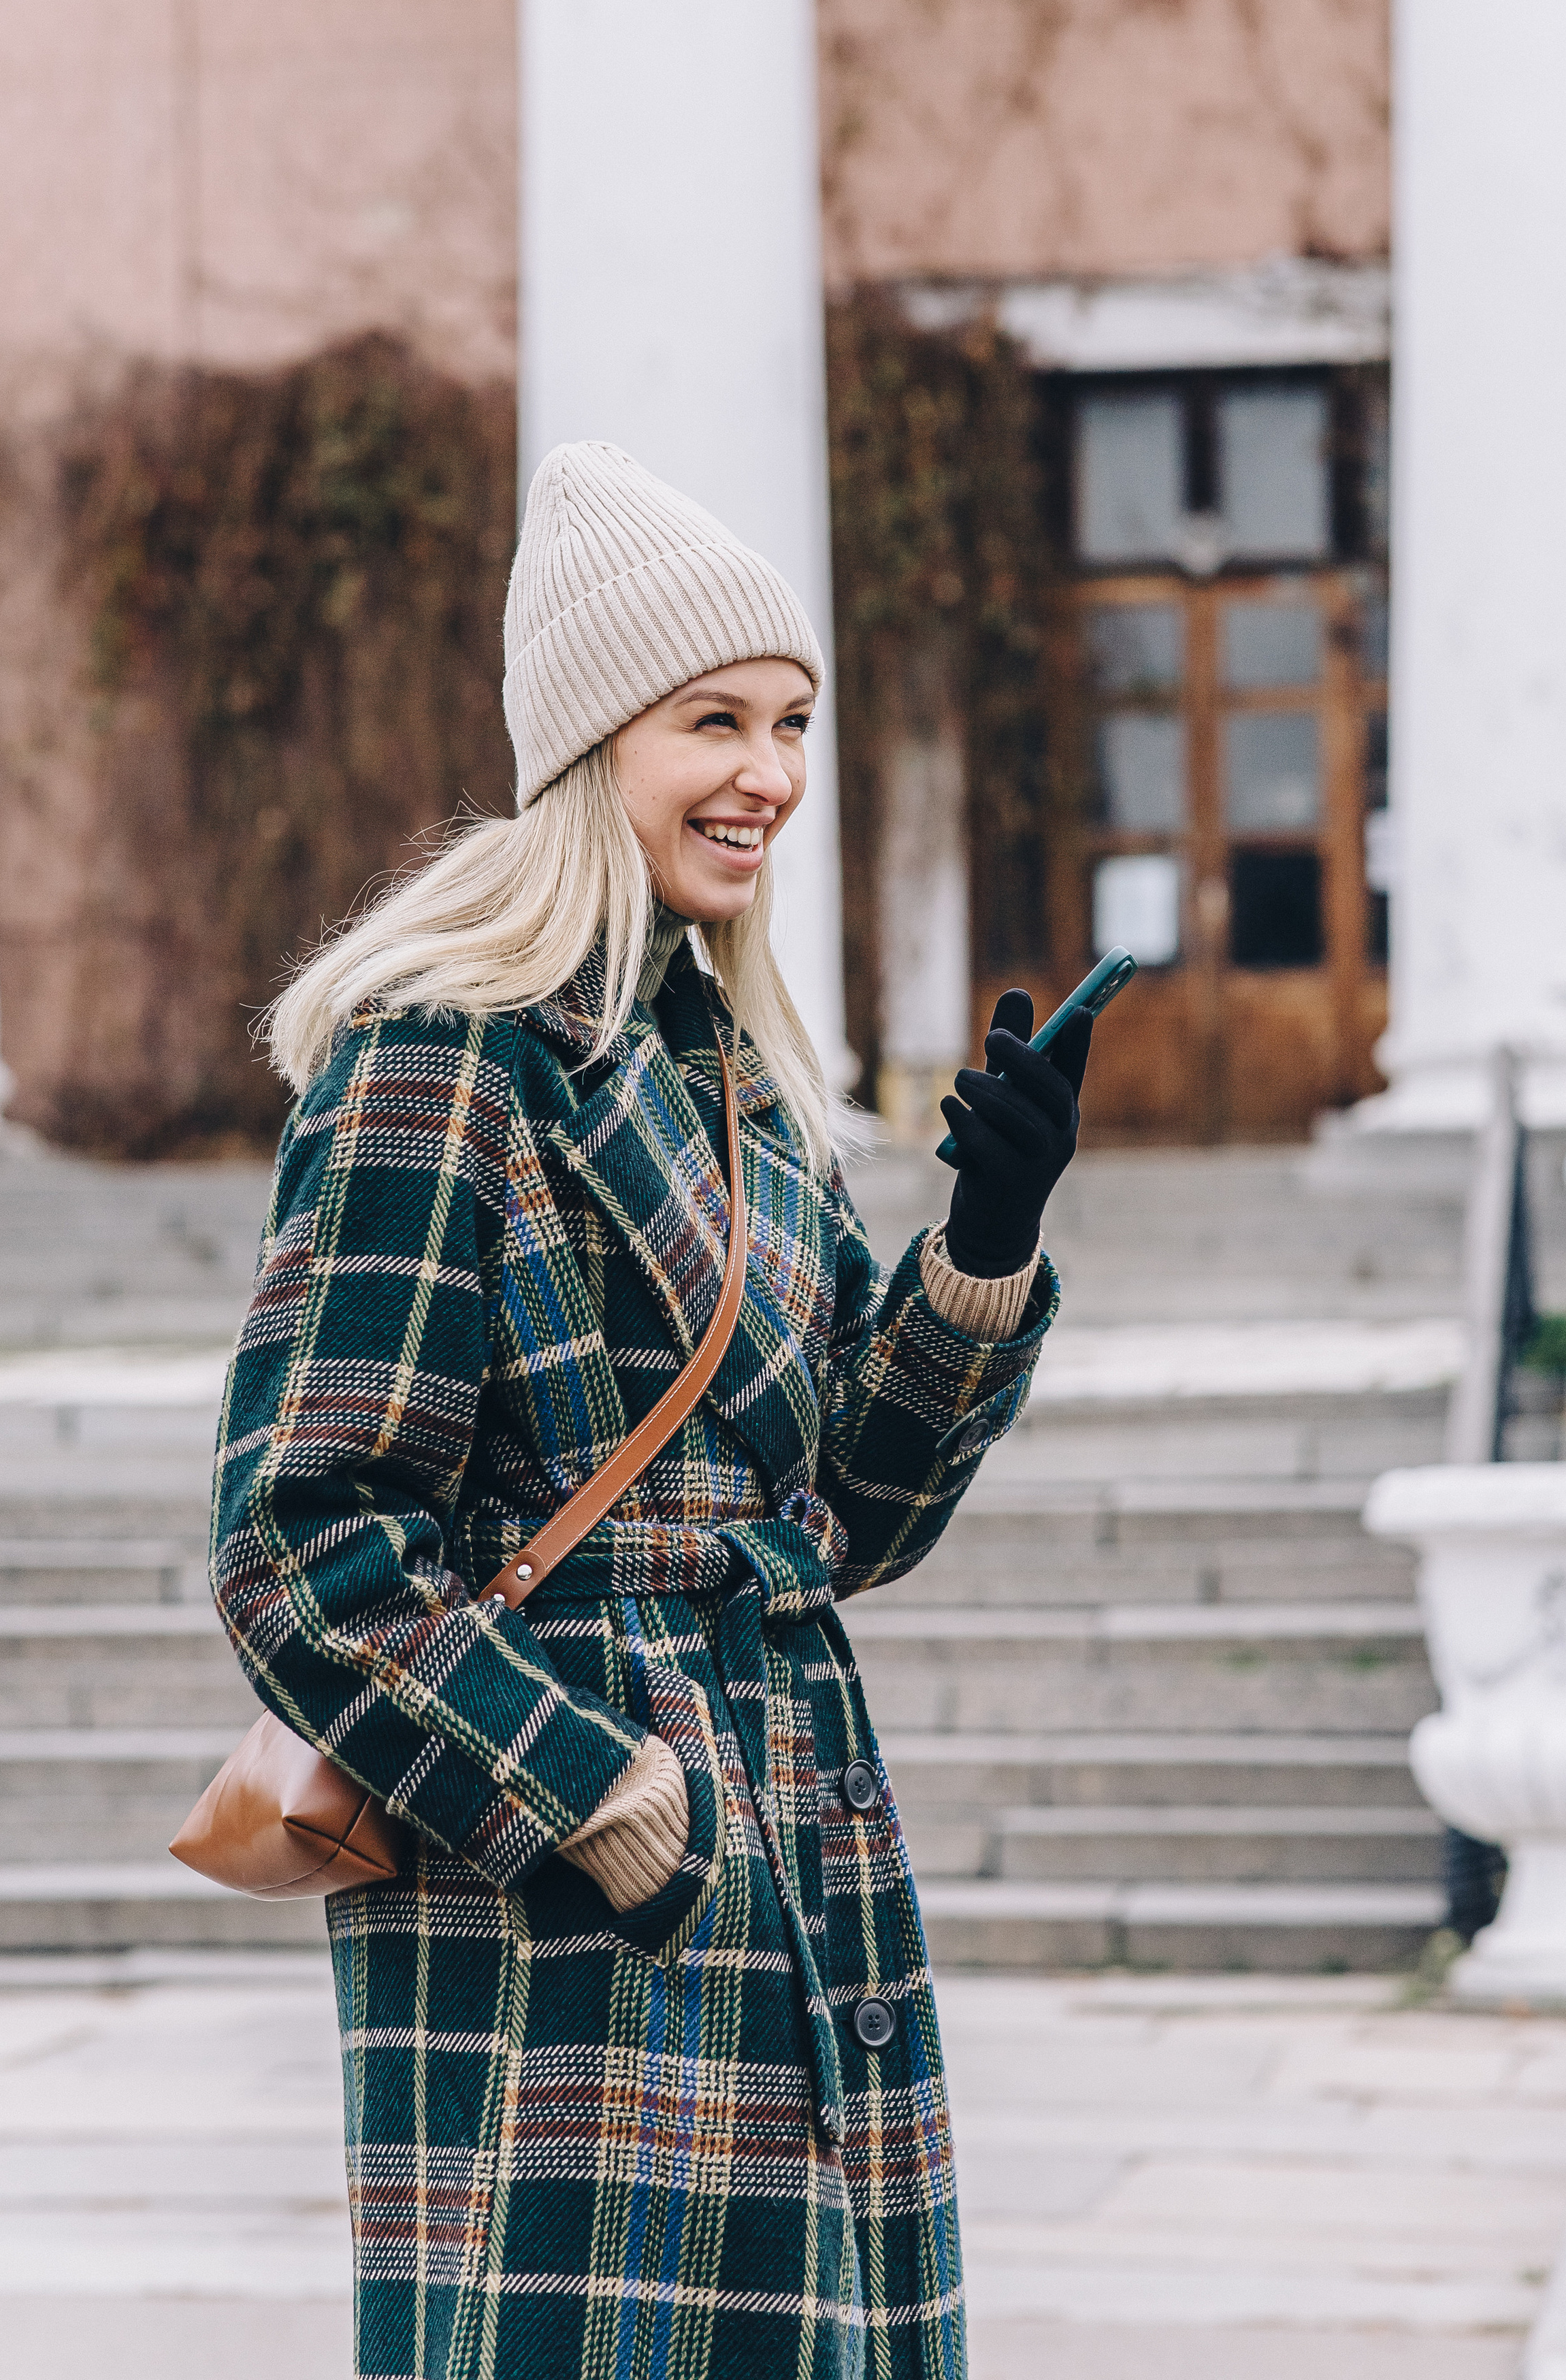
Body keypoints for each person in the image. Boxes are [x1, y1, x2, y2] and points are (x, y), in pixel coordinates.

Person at [210, 441, 1092, 2380]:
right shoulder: (439, 1065)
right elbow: (300, 1540)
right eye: (715, 720)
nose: (769, 771)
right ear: (597, 745)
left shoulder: (744, 1088)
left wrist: (987, 1246)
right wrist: (594, 1791)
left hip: (798, 1850)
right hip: (569, 1921)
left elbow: (850, 1512)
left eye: (791, 721)